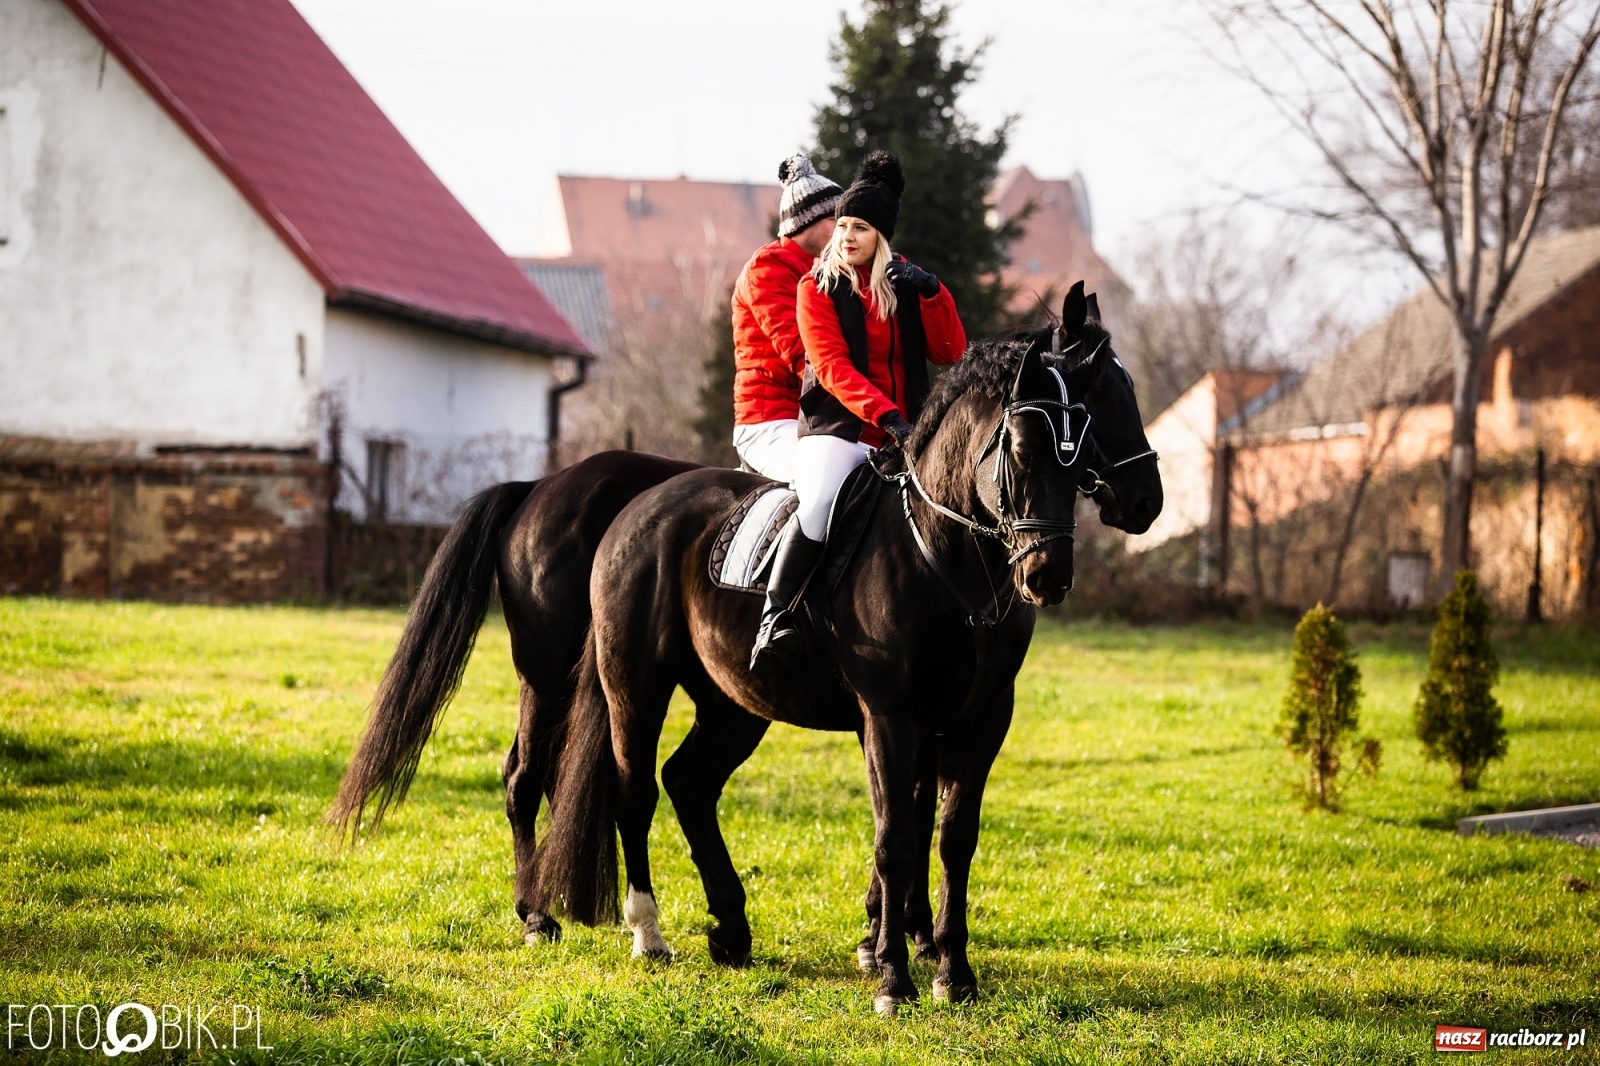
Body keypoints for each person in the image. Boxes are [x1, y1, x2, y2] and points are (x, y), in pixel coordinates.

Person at [750, 150, 967, 675]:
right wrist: (887, 415)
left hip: (904, 434)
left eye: (859, 227)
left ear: (881, 237)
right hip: (839, 430)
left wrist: (935, 293)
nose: (845, 235)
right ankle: (774, 618)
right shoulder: (814, 287)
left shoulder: (904, 287)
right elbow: (829, 367)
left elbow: (952, 352)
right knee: (820, 499)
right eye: (842, 224)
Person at [729, 155, 843, 482]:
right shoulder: (767, 270)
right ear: (809, 221)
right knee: (820, 482)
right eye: (837, 220)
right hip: (770, 420)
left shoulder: (826, 271)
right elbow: (801, 352)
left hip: (817, 417)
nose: (844, 232)